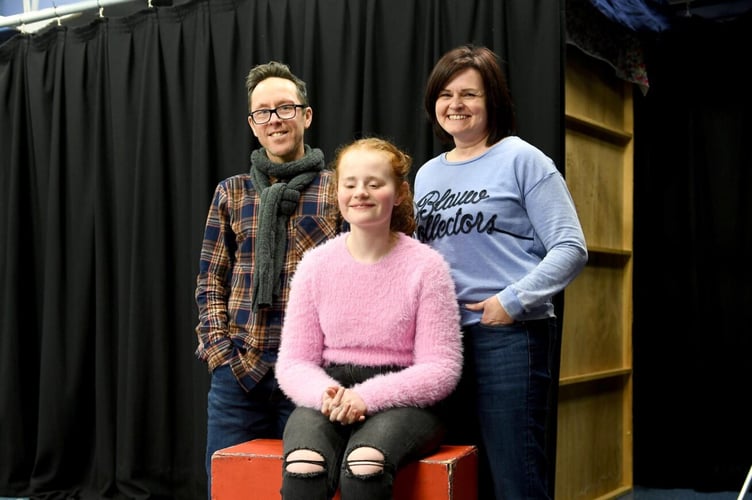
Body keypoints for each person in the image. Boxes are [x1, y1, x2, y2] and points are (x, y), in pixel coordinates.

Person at [413, 44, 589, 500]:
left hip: (509, 337)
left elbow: (570, 247)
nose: (456, 105)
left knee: (516, 479)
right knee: (456, 477)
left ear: (493, 100)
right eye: (446, 94)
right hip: (444, 343)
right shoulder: (427, 175)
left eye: (469, 94)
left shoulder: (522, 159)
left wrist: (509, 303)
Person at [274, 137, 463, 500]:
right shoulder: (315, 265)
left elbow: (441, 369)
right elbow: (294, 363)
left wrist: (365, 398)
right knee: (304, 464)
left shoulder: (427, 268)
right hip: (330, 392)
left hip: (404, 399)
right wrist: (327, 396)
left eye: (375, 184)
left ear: (400, 192)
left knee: (365, 464)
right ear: (338, 192)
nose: (361, 193)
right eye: (350, 184)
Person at [194, 60, 341, 498]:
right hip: (240, 374)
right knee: (232, 490)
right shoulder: (232, 192)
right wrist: (222, 353)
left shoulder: (340, 189)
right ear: (253, 125)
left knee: (303, 491)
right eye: (263, 112)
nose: (274, 119)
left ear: (306, 115)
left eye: (285, 108)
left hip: (312, 377)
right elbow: (210, 281)